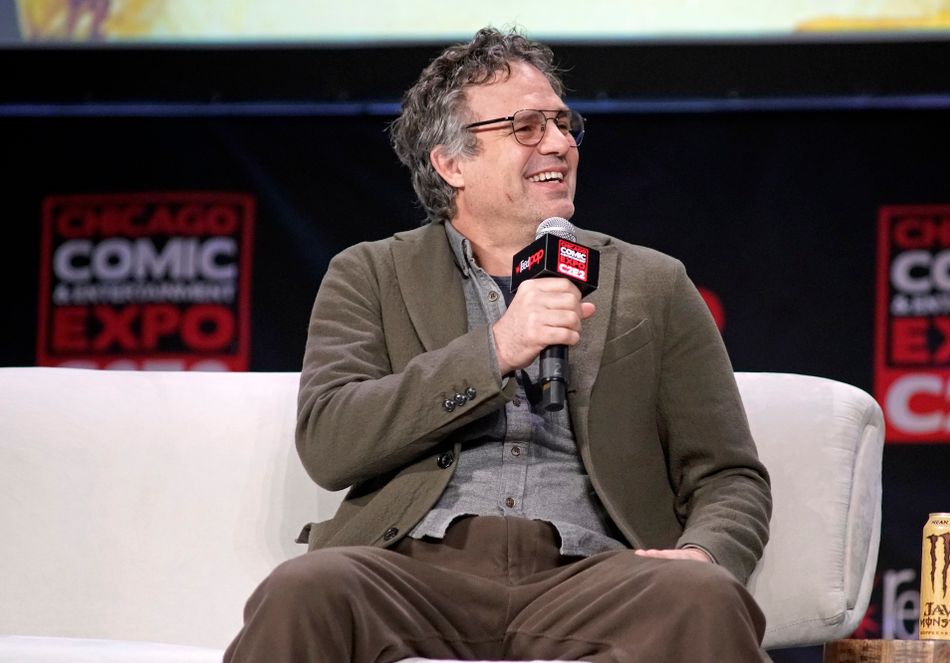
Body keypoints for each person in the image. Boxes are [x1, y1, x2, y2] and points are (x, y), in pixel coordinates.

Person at [224, 26, 772, 663]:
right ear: (452, 163)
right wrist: (496, 349)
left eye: (564, 125)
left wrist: (700, 554)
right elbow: (330, 441)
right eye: (527, 128)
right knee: (304, 589)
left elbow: (729, 476)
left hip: (592, 577)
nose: (560, 144)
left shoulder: (651, 282)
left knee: (702, 596)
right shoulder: (370, 273)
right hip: (412, 572)